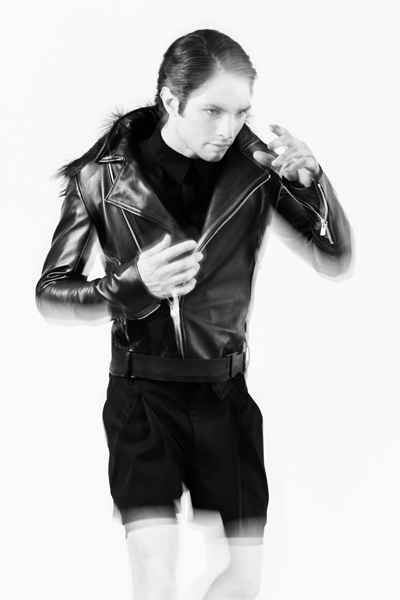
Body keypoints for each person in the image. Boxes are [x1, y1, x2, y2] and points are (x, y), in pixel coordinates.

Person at [36, 29, 353, 600]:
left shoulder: (257, 171)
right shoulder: (101, 178)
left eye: (240, 112)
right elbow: (50, 291)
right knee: (155, 578)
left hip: (225, 397)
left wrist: (316, 185)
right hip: (141, 399)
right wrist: (134, 286)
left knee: (245, 581)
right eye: (212, 110)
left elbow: (333, 256)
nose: (228, 128)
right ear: (171, 98)